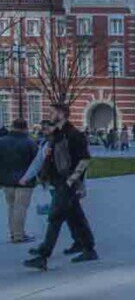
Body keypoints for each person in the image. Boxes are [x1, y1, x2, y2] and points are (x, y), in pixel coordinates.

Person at [24, 105, 98, 270]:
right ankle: (87, 247)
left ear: (62, 114)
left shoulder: (74, 135)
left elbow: (84, 160)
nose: (49, 115)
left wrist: (71, 181)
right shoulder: (57, 134)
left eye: (52, 112)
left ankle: (44, 255)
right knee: (75, 216)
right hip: (57, 181)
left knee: (55, 217)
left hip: (66, 183)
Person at [0, 119, 38, 244]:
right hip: (25, 180)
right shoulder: (30, 142)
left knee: (11, 207)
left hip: (6, 180)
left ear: (12, 127)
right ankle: (18, 235)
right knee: (20, 208)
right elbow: (36, 162)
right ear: (25, 128)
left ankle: (13, 233)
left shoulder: (2, 142)